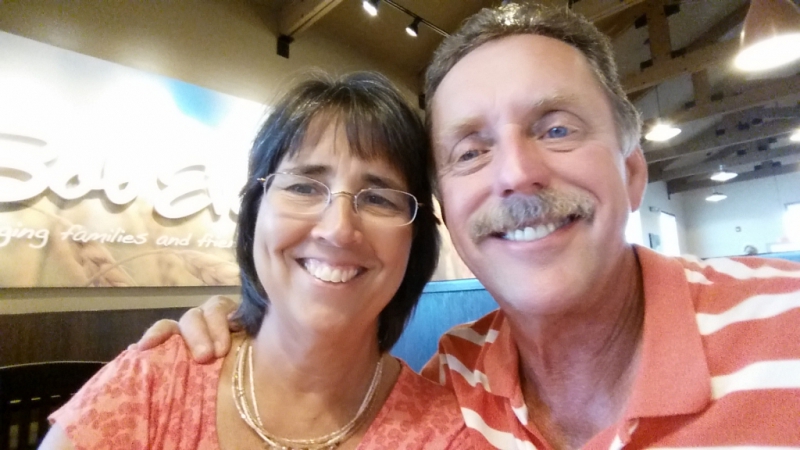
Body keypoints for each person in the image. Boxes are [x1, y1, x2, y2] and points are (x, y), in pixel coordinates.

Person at [135, 3, 800, 449]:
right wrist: (248, 322)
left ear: (631, 173)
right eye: (472, 151)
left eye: (556, 129)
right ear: (447, 211)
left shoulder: (786, 327)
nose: (516, 174)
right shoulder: (451, 381)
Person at [42, 72, 480, 449]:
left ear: (416, 241)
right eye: (304, 187)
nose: (338, 229)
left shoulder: (448, 436)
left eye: (379, 198)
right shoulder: (150, 385)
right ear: (255, 212)